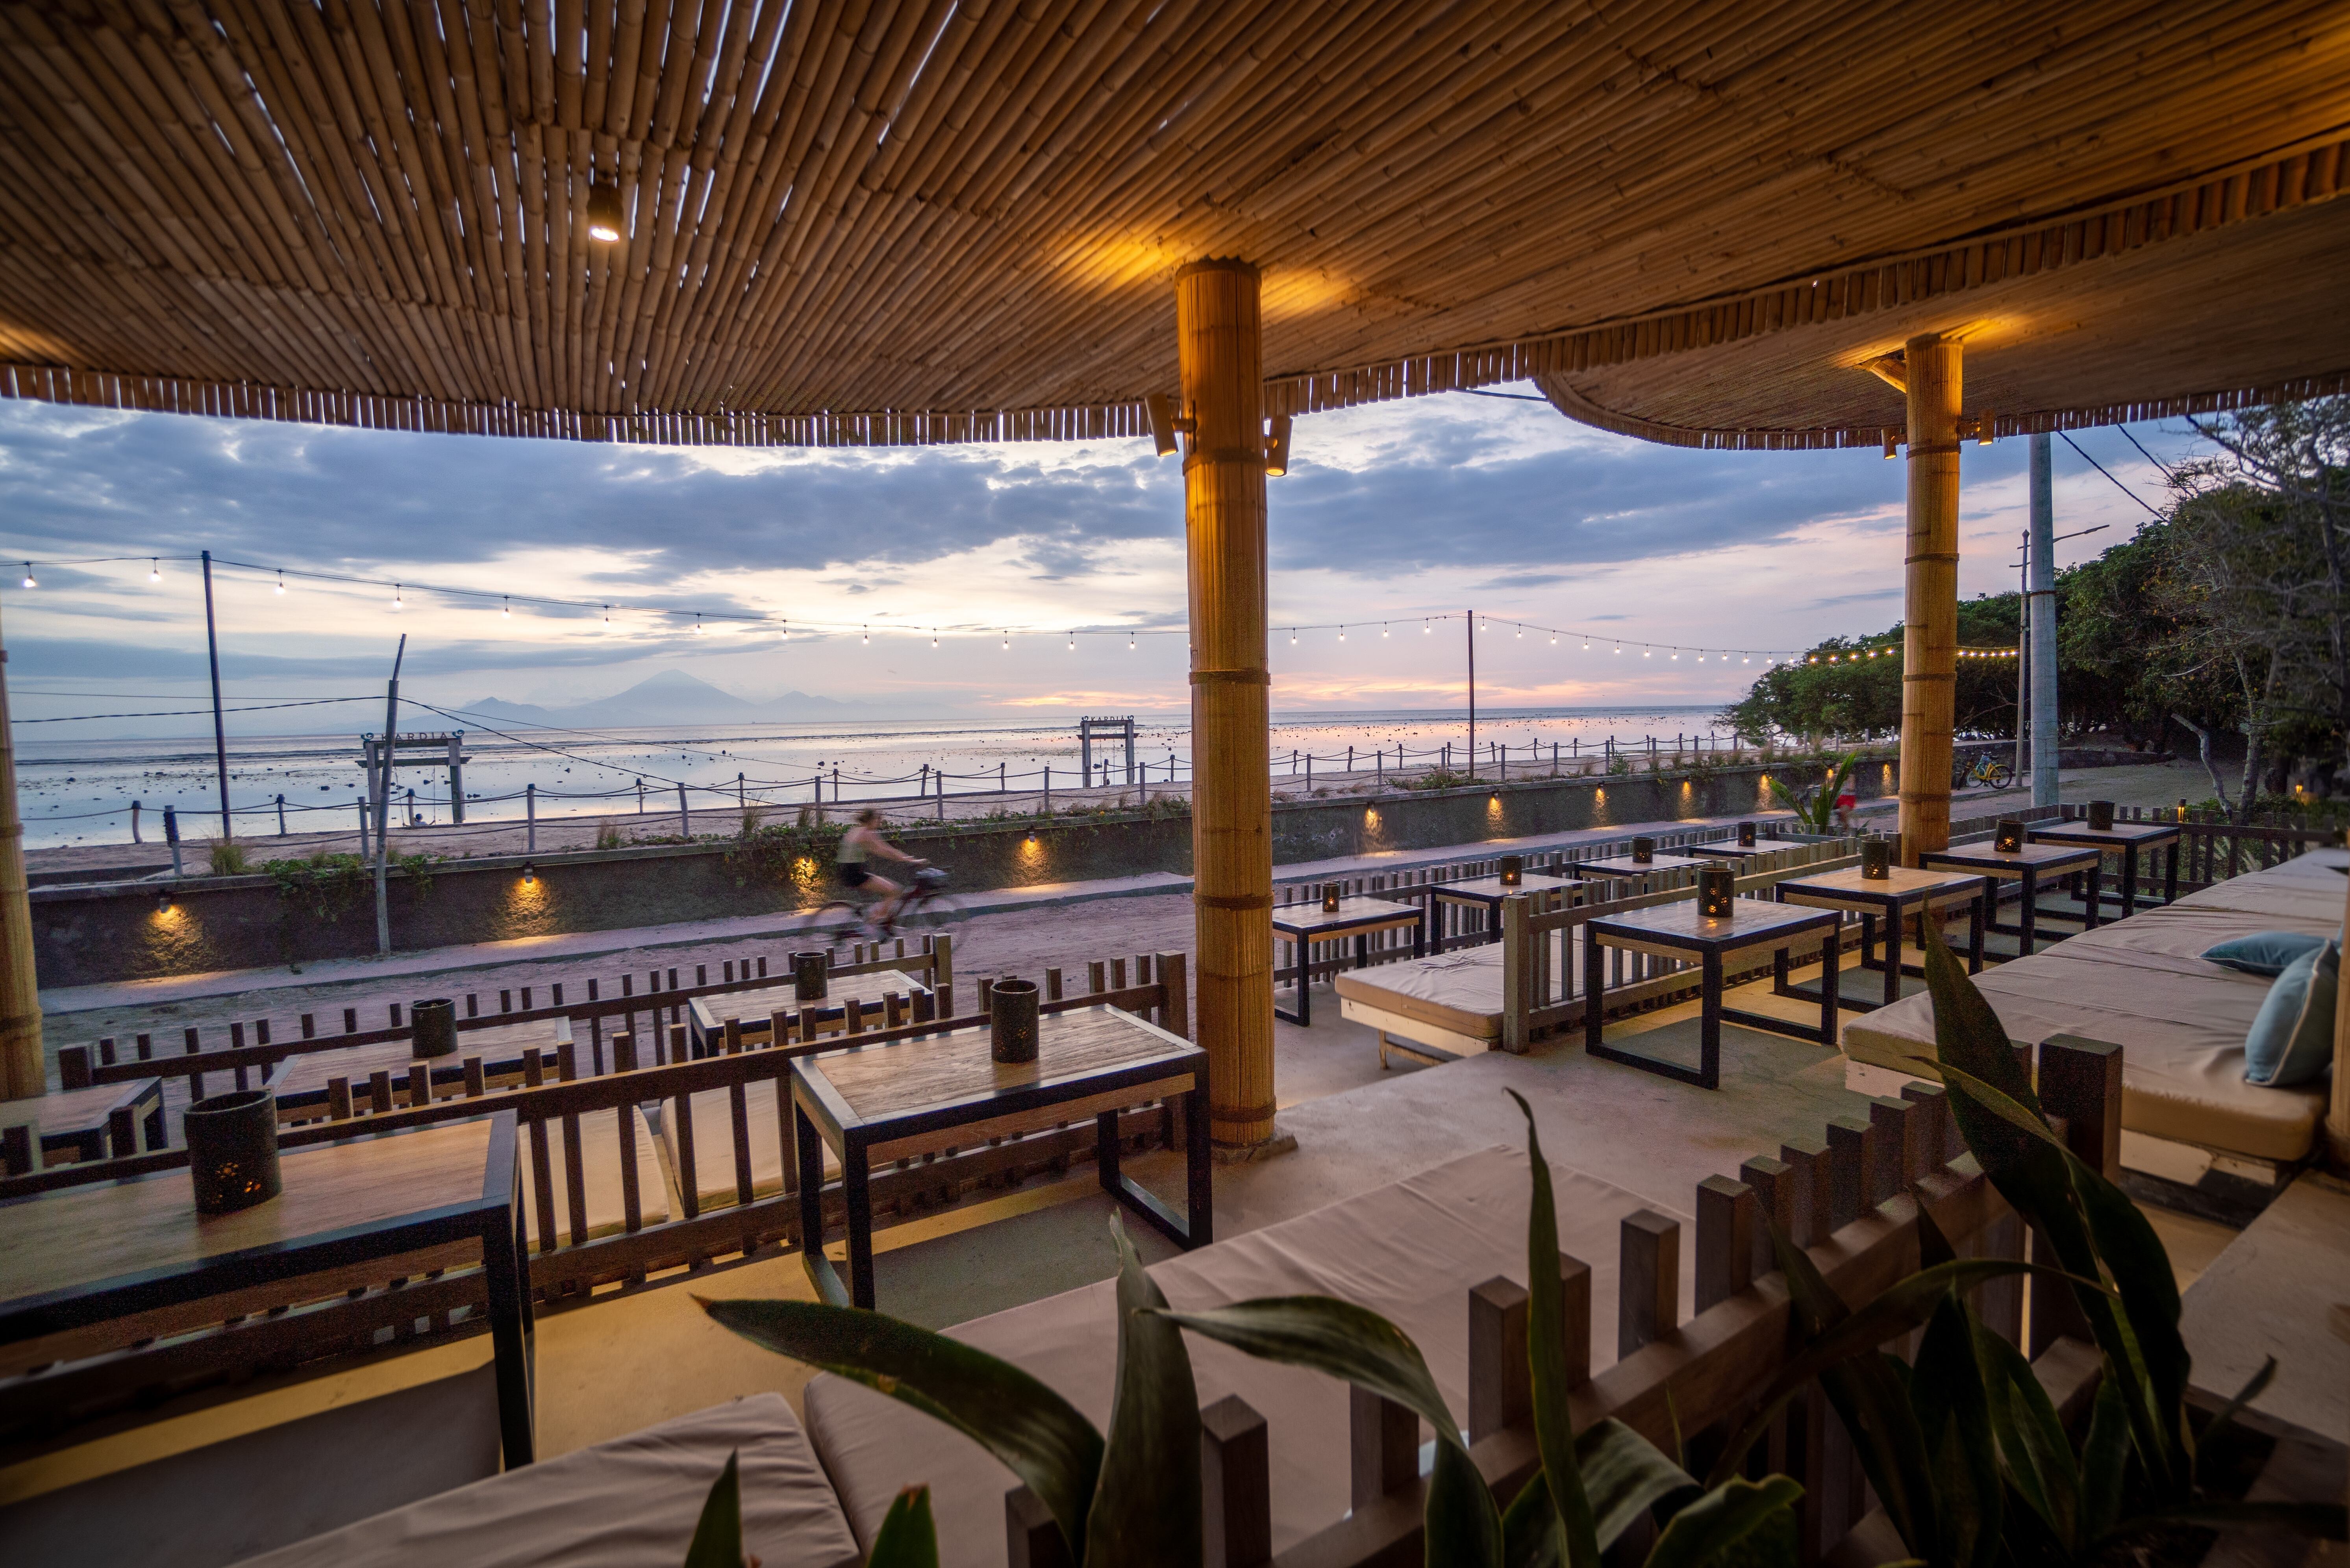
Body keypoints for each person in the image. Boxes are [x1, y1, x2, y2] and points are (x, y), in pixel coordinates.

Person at [837, 808, 924, 935]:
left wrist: (904, 859)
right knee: (895, 891)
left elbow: (880, 851)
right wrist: (911, 860)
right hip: (855, 874)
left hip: (848, 872)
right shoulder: (867, 833)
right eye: (878, 819)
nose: (880, 822)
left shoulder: (857, 830)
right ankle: (873, 925)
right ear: (871, 820)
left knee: (888, 889)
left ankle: (884, 924)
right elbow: (886, 851)